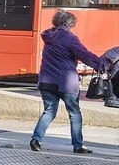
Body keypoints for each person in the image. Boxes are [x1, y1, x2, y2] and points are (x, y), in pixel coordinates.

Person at [31, 9, 98, 153]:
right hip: (66, 83)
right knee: (74, 113)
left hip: (47, 81)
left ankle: (36, 139)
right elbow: (84, 55)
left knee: (49, 111)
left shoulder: (49, 37)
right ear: (70, 24)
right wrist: (101, 64)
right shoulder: (69, 38)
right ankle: (78, 145)